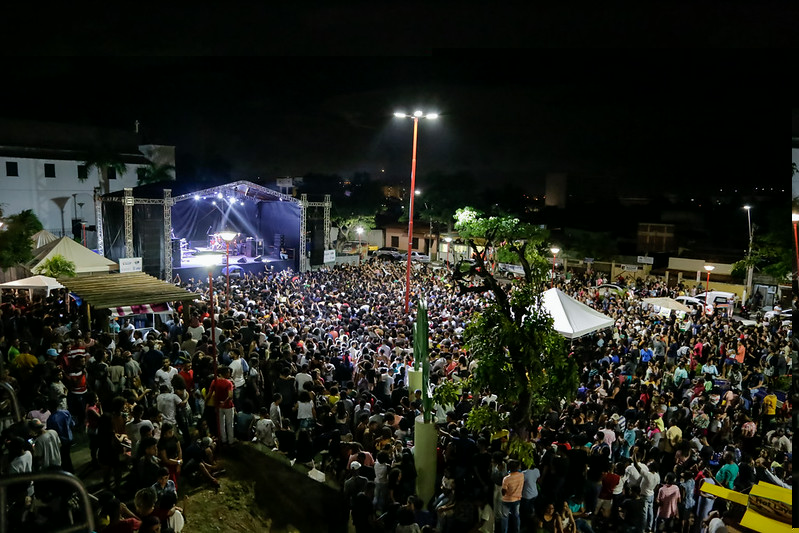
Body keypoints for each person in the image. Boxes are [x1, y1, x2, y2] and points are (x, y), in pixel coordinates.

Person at [206, 366, 235, 445]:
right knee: (229, 424)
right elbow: (230, 396)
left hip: (218, 405)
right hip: (228, 406)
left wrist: (206, 402)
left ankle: (223, 440)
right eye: (228, 372)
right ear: (224, 373)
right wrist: (224, 402)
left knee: (221, 424)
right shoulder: (229, 383)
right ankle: (231, 441)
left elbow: (209, 394)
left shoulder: (214, 381)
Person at [501, 459, 524, 533]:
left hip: (507, 500)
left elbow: (503, 492)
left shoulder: (506, 479)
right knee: (516, 516)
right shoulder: (521, 475)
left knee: (505, 517)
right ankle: (517, 530)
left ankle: (504, 531)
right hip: (517, 499)